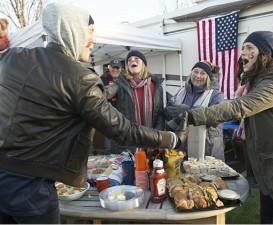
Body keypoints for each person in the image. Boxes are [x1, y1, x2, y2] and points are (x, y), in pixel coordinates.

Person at [0, 3, 188, 223]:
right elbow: (123, 130)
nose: (93, 40)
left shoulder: (12, 57)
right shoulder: (80, 77)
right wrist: (172, 138)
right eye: (89, 31)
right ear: (73, 29)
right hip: (31, 188)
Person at [170, 31, 273, 224]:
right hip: (269, 168)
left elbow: (239, 107)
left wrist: (192, 115)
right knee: (266, 218)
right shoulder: (258, 82)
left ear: (265, 53)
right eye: (243, 48)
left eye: (249, 48)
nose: (243, 53)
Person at [165, 60, 225, 161]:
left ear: (208, 77)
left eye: (202, 73)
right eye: (195, 71)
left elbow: (215, 119)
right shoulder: (182, 91)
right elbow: (168, 110)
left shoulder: (216, 95)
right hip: (182, 148)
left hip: (207, 148)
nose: (198, 76)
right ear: (191, 73)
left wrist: (187, 111)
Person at [111, 50, 166, 153]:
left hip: (151, 141)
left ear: (143, 64)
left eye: (136, 58)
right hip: (129, 143)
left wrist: (158, 137)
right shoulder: (120, 85)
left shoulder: (156, 86)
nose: (133, 61)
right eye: (129, 60)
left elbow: (159, 114)